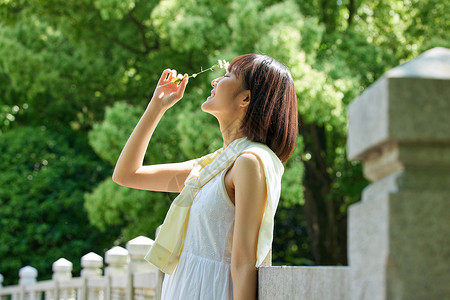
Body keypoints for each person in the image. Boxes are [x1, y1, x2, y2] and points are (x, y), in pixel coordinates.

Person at [112, 54, 298, 300]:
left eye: (227, 76)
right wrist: (156, 106)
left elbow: (244, 264)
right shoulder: (211, 167)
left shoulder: (250, 162)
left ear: (246, 98)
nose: (214, 82)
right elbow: (127, 174)